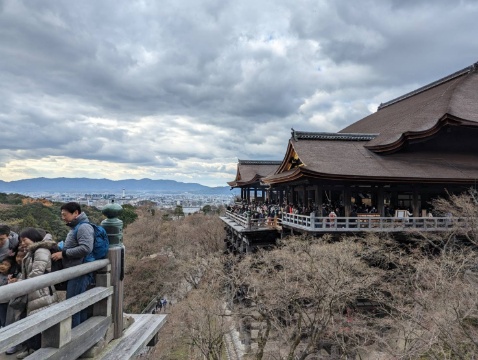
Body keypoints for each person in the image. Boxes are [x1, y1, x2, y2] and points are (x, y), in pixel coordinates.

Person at [15, 227, 59, 358]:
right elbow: (27, 273)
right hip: (32, 291)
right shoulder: (32, 251)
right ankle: (30, 348)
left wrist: (21, 285)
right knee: (27, 320)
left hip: (41, 292)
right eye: (21, 240)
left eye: (25, 240)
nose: (22, 243)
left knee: (37, 320)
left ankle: (37, 350)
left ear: (33, 238)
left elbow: (37, 273)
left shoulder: (41, 251)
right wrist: (18, 282)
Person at [51, 202, 94, 328]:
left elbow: (86, 248)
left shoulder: (83, 227)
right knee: (77, 305)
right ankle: (80, 333)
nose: (63, 217)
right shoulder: (76, 227)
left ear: (76, 213)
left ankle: (76, 335)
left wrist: (63, 253)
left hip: (79, 272)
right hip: (75, 271)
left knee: (73, 305)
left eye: (65, 215)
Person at [0, 257, 14, 327]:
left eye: (6, 265)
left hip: (4, 302)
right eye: (2, 264)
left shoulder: (11, 276)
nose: (3, 266)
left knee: (4, 321)